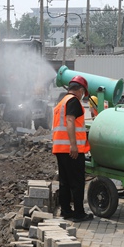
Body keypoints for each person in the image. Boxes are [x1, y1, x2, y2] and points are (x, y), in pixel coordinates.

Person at [52, 76, 93, 222]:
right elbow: (70, 121)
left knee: (65, 181)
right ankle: (79, 214)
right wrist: (74, 145)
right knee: (77, 182)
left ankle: (66, 211)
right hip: (71, 149)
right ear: (81, 90)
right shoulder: (73, 101)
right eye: (83, 93)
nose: (82, 96)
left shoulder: (61, 102)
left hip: (59, 147)